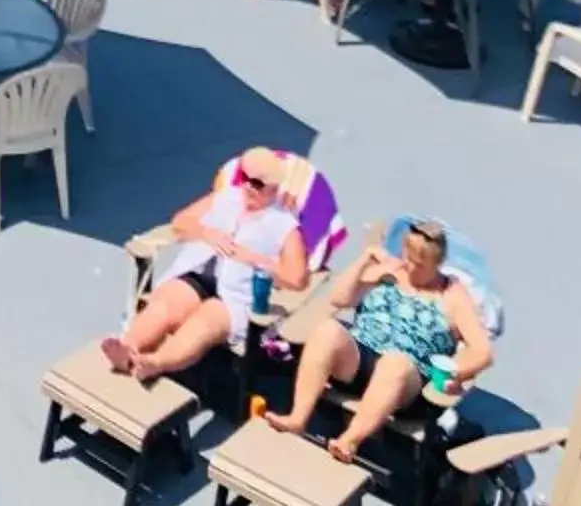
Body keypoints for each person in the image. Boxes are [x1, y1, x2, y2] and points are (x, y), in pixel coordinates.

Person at [267, 219, 493, 462]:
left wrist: (456, 374)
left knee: (394, 363)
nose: (410, 267)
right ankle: (298, 418)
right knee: (327, 331)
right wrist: (365, 259)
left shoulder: (453, 295)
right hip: (360, 358)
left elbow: (483, 352)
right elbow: (339, 298)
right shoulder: (391, 269)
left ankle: (349, 441)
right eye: (408, 257)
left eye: (420, 265)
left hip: (407, 381)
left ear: (437, 264)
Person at [101, 150, 312, 386]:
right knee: (165, 305)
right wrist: (205, 233)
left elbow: (298, 278)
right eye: (243, 177)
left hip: (235, 295)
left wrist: (253, 258)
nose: (247, 186)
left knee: (204, 325)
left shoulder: (284, 223)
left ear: (273, 189)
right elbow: (180, 222)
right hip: (197, 274)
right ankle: (127, 348)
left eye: (256, 183)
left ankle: (154, 363)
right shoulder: (225, 197)